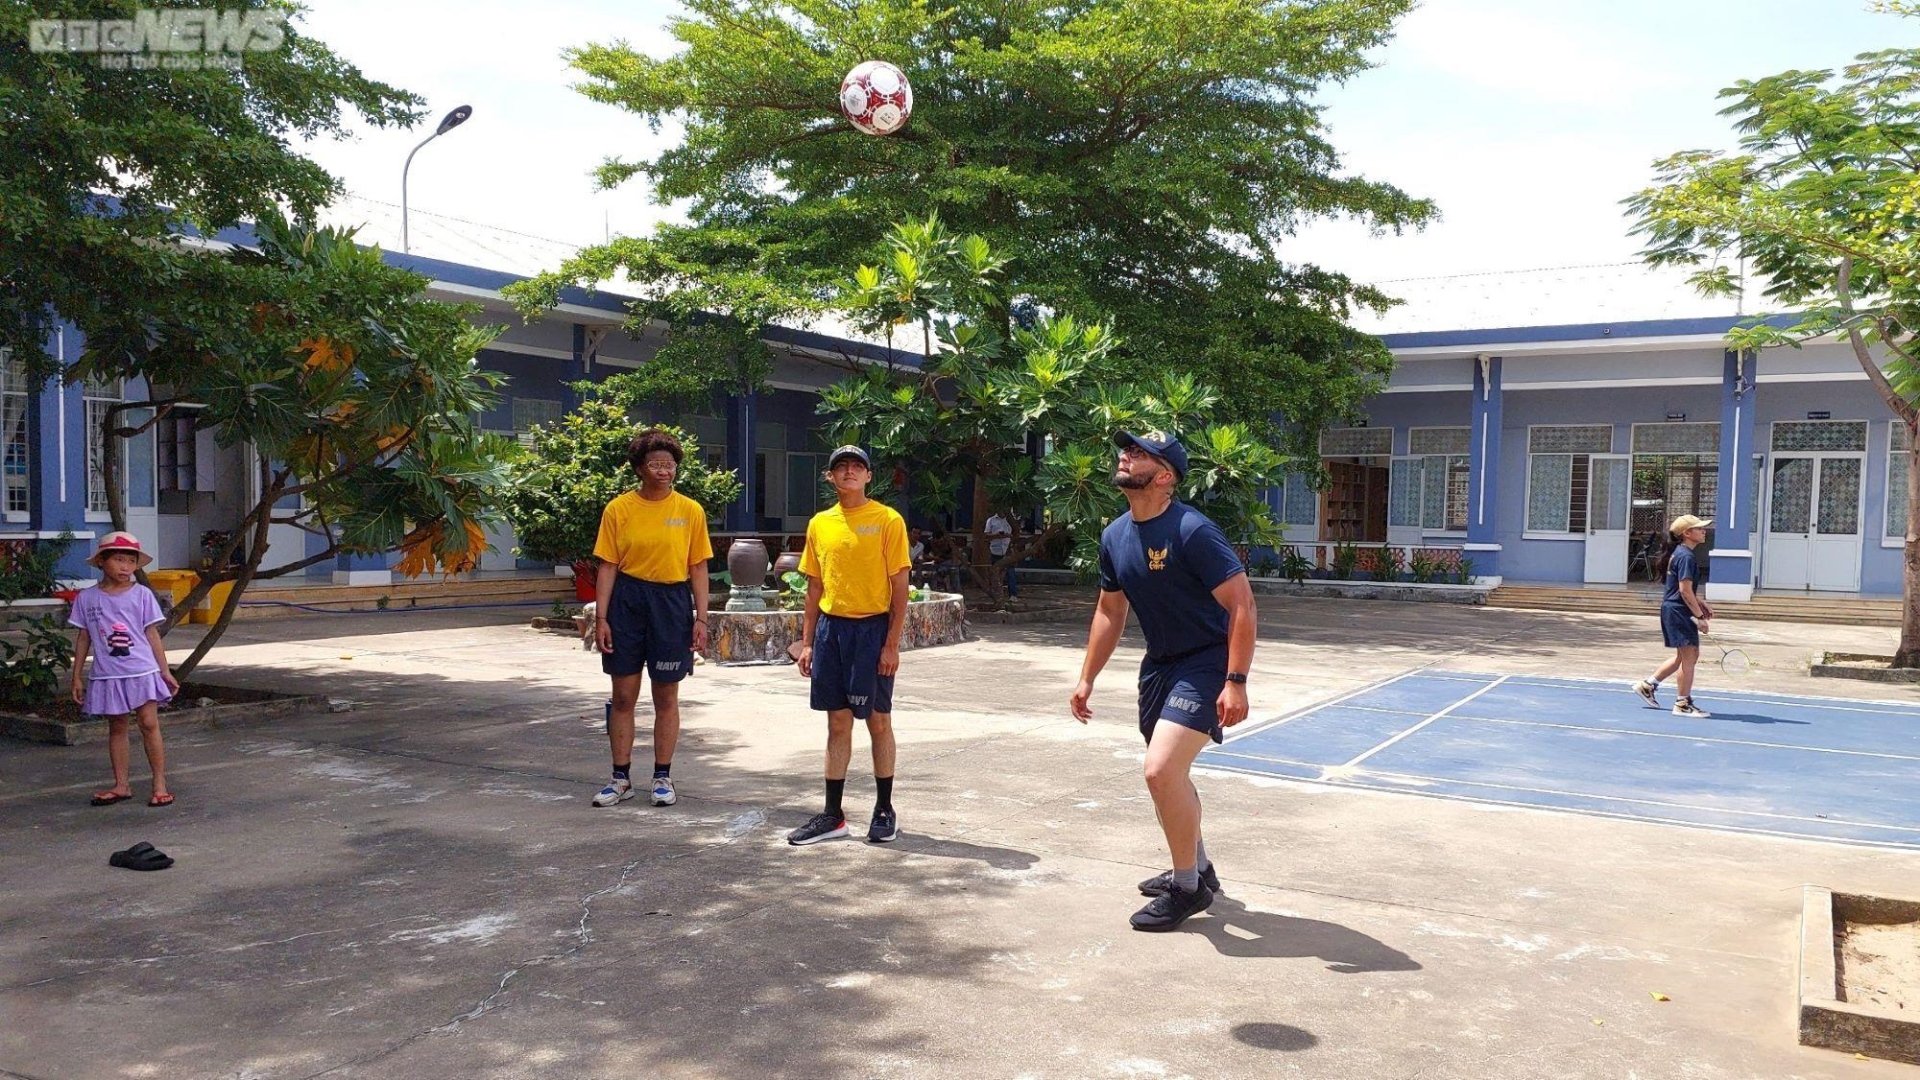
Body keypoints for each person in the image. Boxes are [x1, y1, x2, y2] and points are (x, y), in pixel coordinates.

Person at [1069, 431, 1257, 932]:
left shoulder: (1192, 530)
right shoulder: (1114, 536)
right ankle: (1200, 866)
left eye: (1139, 454)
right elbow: (1111, 610)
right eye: (1125, 450)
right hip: (1160, 666)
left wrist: (1235, 680)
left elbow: (1241, 604)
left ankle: (1187, 887)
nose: (1124, 456)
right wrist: (1087, 677)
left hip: (1205, 662)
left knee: (1159, 771)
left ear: (1166, 475)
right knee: (1169, 776)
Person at [788, 445, 912, 845]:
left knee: (878, 720)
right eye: (841, 467)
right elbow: (814, 587)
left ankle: (884, 809)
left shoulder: (888, 521)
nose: (849, 472)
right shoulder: (820, 524)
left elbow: (900, 589)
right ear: (830, 478)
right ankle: (832, 815)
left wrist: (891, 645)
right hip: (831, 632)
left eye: (857, 467)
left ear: (868, 476)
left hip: (871, 632)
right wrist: (806, 643)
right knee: (836, 722)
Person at [592, 428, 713, 808]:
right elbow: (608, 566)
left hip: (672, 603)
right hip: (627, 601)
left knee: (666, 695)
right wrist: (601, 617)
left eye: (670, 464)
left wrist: (701, 618)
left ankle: (662, 777)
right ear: (640, 468)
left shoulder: (690, 511)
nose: (664, 470)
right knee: (623, 695)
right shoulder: (619, 509)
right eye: (656, 464)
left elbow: (698, 569)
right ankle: (620, 777)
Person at [72, 532, 180, 808]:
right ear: (102, 562)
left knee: (148, 723)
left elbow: (151, 634)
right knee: (117, 726)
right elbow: (84, 637)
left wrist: (164, 671)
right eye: (119, 560)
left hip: (141, 671)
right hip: (107, 673)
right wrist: (76, 676)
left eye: (131, 561)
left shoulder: (142, 594)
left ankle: (159, 784)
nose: (125, 567)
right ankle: (121, 785)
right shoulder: (87, 598)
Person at [1635, 514, 1714, 718]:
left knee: (1686, 655)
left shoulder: (1680, 553)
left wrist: (1700, 603)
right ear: (1687, 533)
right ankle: (1682, 703)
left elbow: (1684, 589)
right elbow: (1684, 591)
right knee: (1689, 656)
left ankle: (1648, 685)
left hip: (1674, 609)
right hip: (1678, 611)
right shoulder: (1686, 556)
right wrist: (1699, 617)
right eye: (1699, 528)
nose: (1704, 530)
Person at [985, 509, 1018, 599]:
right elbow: (986, 535)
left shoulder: (1010, 521)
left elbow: (1016, 533)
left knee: (1010, 572)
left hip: (1007, 550)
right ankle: (996, 595)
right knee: (996, 574)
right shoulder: (991, 520)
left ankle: (1013, 594)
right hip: (995, 550)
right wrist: (997, 535)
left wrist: (1009, 537)